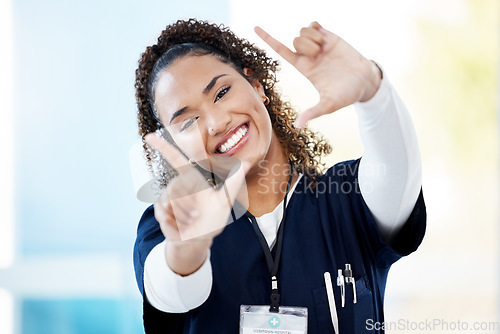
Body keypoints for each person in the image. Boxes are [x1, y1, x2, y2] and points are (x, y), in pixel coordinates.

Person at [133, 18, 426, 334]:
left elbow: (397, 173)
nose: (215, 122)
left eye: (221, 92)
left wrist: (372, 93)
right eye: (188, 122)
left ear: (256, 86)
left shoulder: (346, 199)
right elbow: (170, 289)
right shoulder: (167, 227)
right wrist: (188, 248)